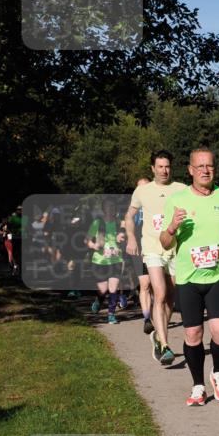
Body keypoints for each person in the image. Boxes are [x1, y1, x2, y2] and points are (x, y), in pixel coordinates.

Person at [160, 148, 219, 407]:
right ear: (190, 170)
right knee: (194, 334)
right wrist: (172, 226)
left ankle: (217, 372)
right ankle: (198, 386)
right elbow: (165, 242)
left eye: (209, 166)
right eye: (200, 167)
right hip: (188, 278)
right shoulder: (177, 200)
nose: (205, 170)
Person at [126, 150, 184, 365]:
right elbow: (129, 216)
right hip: (151, 248)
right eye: (159, 166)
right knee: (159, 294)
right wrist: (131, 237)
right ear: (152, 169)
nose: (164, 170)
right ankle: (166, 345)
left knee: (170, 297)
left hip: (175, 249)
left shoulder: (181, 189)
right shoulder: (143, 191)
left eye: (167, 166)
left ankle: (159, 335)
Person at [87, 198, 125, 324]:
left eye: (113, 207)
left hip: (116, 260)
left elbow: (126, 235)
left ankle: (111, 314)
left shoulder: (120, 223)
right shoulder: (97, 223)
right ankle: (98, 301)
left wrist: (122, 237)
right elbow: (87, 240)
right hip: (100, 261)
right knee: (103, 290)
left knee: (113, 289)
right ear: (103, 209)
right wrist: (93, 246)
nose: (111, 209)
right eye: (108, 207)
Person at [127, 176, 153, 334]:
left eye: (145, 186)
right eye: (139, 187)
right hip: (140, 249)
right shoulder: (133, 207)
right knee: (145, 284)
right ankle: (147, 318)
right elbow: (126, 222)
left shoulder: (159, 203)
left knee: (159, 288)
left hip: (157, 248)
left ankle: (159, 312)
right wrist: (127, 236)